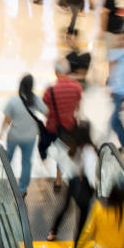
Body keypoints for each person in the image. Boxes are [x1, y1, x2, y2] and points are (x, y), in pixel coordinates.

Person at [47, 122, 98, 248]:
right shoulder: (89, 150)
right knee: (82, 217)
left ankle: (53, 231)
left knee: (65, 208)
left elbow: (55, 153)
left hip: (73, 182)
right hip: (85, 186)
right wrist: (95, 187)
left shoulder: (73, 147)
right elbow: (91, 173)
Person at [0, 74, 47, 196]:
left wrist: (1, 132)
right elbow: (46, 112)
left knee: (8, 159)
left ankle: (5, 184)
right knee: (26, 162)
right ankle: (22, 189)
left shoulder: (14, 100)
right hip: (30, 137)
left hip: (14, 136)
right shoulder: (35, 100)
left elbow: (7, 119)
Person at [42, 59, 83, 190]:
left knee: (45, 146)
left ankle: (56, 177)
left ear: (56, 72)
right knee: (66, 151)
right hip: (70, 126)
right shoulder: (77, 87)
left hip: (54, 127)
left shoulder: (50, 90)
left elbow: (46, 110)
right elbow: (78, 106)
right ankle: (64, 178)